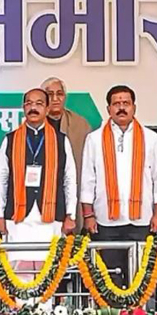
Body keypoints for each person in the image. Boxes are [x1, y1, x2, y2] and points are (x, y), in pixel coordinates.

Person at [80, 85, 157, 286]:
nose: (121, 108)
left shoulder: (151, 138)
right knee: (109, 278)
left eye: (126, 103)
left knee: (141, 277)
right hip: (105, 220)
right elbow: (87, 181)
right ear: (108, 109)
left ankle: (140, 308)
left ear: (134, 107)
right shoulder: (94, 139)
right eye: (116, 104)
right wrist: (88, 216)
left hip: (142, 220)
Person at [0, 88, 77, 279]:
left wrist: (70, 214)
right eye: (29, 104)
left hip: (51, 217)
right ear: (23, 108)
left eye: (39, 104)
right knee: (18, 273)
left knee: (48, 274)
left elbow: (70, 179)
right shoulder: (10, 139)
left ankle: (46, 301)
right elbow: (1, 180)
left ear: (47, 109)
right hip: (18, 218)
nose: (33, 108)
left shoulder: (61, 140)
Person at [41, 77, 92, 230]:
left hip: (72, 188)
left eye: (59, 94)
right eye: (50, 94)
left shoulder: (80, 125)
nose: (55, 99)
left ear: (65, 97)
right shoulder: (33, 124)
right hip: (42, 191)